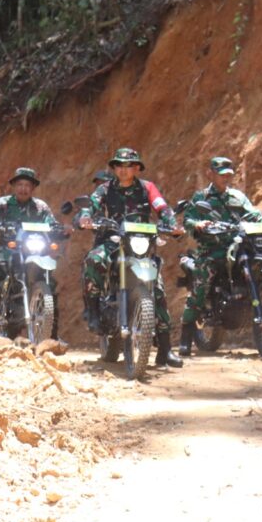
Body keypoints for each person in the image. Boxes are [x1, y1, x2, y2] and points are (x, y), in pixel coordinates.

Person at [76, 148, 185, 368]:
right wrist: (85, 217)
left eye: (128, 166)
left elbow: (162, 207)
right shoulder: (105, 189)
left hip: (141, 242)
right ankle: (93, 311)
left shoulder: (147, 187)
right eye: (119, 166)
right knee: (93, 260)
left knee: (158, 288)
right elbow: (92, 204)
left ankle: (165, 349)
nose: (123, 170)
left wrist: (172, 224)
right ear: (114, 168)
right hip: (113, 239)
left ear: (137, 168)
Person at [178, 156, 262, 355]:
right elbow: (188, 219)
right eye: (221, 174)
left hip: (238, 247)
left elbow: (252, 214)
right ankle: (185, 337)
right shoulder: (202, 197)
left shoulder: (237, 197)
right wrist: (198, 224)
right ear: (210, 174)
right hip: (212, 249)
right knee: (201, 285)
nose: (225, 178)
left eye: (229, 175)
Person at [0, 167, 58, 326]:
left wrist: (61, 229)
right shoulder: (3, 203)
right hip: (10, 248)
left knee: (50, 283)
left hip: (34, 250)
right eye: (20, 184)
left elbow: (52, 223)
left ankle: (52, 330)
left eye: (27, 185)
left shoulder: (40, 206)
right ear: (14, 186)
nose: (23, 189)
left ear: (33, 188)